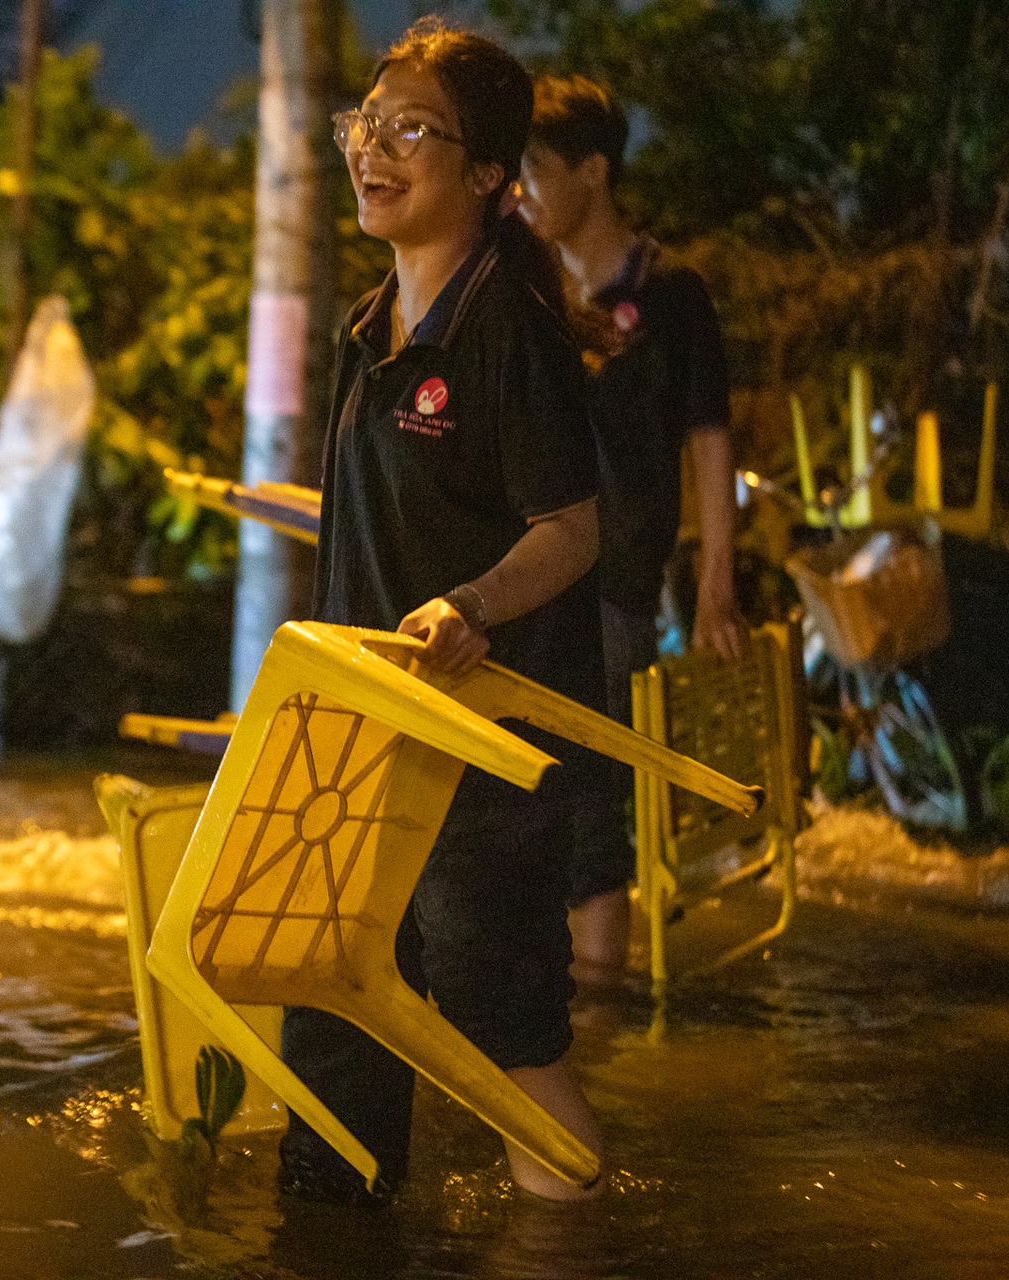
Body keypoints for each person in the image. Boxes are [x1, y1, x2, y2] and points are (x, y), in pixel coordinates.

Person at [280, 19, 611, 1207]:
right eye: (366, 125)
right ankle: (332, 1236)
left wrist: (471, 605)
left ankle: (575, 1239)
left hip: (483, 753)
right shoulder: (372, 328)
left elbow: (572, 529)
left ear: (486, 175)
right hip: (362, 737)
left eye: (410, 128)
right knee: (329, 1009)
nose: (375, 149)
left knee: (503, 1031)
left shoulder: (509, 333)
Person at [518, 75, 745, 985]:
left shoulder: (671, 297)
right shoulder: (525, 290)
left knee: (590, 792)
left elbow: (709, 445)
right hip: (521, 578)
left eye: (534, 171)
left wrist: (716, 582)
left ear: (593, 172)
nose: (521, 193)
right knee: (522, 785)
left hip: (614, 586)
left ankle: (602, 1005)